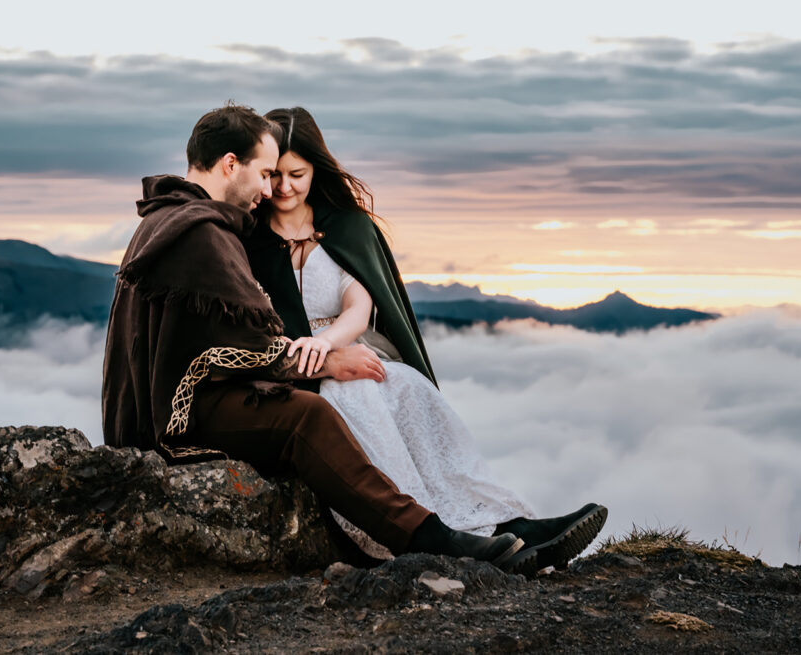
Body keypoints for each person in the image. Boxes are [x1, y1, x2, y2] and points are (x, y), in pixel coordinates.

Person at [101, 103, 534, 574]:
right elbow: (246, 341)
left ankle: (487, 517)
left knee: (400, 394)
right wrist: (327, 363)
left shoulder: (172, 216)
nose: (269, 189)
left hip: (165, 400)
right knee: (306, 417)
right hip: (177, 417)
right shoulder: (202, 232)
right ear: (230, 165)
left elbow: (208, 340)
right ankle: (423, 536)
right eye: (264, 173)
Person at [247, 106, 607, 569]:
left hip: (348, 346)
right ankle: (437, 533)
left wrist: (330, 343)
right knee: (360, 402)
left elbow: (360, 305)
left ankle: (503, 522)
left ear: (317, 168)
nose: (284, 187)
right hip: (299, 373)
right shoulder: (250, 237)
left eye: (297, 174)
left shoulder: (347, 227)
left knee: (410, 393)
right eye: (274, 175)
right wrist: (319, 359)